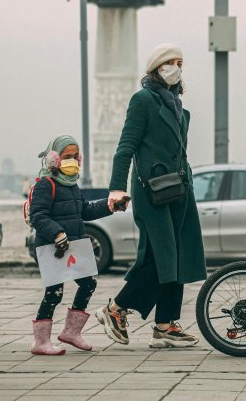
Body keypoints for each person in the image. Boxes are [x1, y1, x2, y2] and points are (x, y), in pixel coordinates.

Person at [96, 43, 206, 349]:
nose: (176, 67)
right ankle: (115, 309)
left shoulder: (178, 107)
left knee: (179, 254)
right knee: (163, 256)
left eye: (180, 62)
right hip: (151, 190)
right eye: (170, 62)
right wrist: (117, 188)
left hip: (179, 189)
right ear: (155, 67)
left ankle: (166, 325)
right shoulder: (143, 100)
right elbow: (125, 147)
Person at [28, 135, 112, 355]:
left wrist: (110, 205)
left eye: (75, 157)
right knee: (54, 292)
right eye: (67, 157)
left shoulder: (72, 185)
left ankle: (71, 332)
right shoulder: (45, 184)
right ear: (54, 159)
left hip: (72, 247)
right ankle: (41, 341)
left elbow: (86, 210)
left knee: (88, 283)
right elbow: (38, 215)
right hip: (52, 248)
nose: (72, 161)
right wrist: (57, 233)